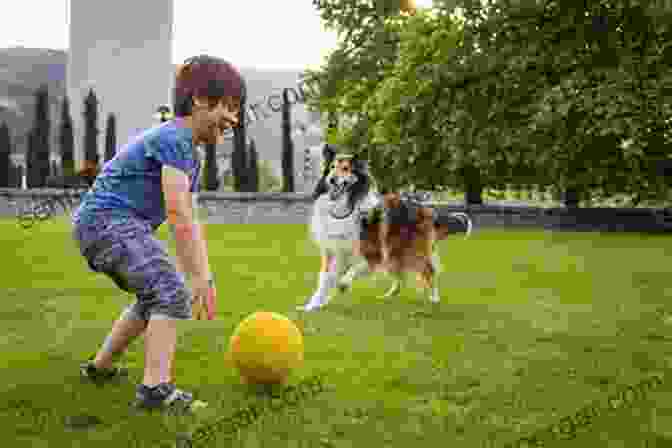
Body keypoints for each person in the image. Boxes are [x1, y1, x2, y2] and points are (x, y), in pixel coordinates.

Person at [72, 55, 245, 411]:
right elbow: (178, 213)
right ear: (199, 99)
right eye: (228, 106)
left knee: (153, 296)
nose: (234, 119)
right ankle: (156, 391)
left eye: (237, 110)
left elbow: (188, 214)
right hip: (109, 222)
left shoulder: (187, 150)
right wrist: (198, 277)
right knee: (170, 292)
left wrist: (202, 271)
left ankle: (101, 367)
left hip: (101, 224)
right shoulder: (176, 138)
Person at [299, 144, 381, 311]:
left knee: (352, 260)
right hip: (333, 230)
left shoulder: (365, 203)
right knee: (328, 260)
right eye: (333, 168)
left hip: (356, 235)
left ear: (355, 175)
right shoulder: (324, 202)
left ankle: (343, 278)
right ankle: (316, 300)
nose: (335, 174)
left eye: (344, 169)